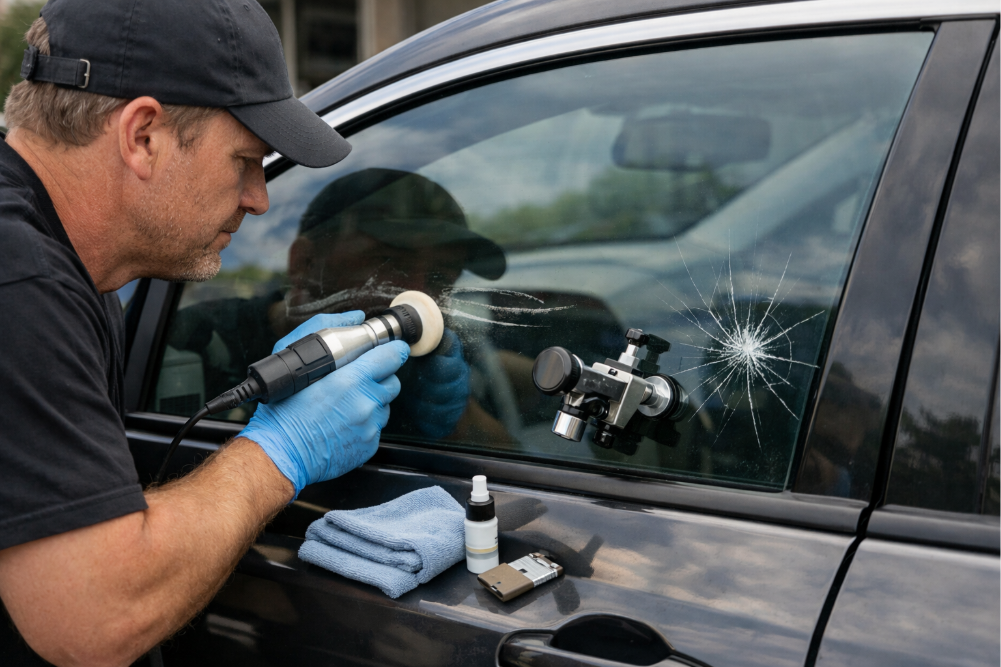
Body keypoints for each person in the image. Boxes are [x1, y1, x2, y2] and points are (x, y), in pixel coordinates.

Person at [0, 1, 406, 665]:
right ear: (143, 136)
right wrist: (281, 450)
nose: (258, 197)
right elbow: (95, 615)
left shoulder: (66, 264)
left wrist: (281, 323)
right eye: (244, 160)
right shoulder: (19, 283)